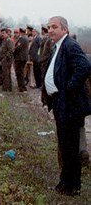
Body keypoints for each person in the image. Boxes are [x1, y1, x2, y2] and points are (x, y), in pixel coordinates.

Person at [42, 16, 91, 196]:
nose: (50, 31)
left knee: (70, 147)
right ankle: (65, 182)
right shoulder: (58, 46)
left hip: (70, 106)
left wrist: (68, 88)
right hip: (62, 104)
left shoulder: (70, 45)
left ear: (64, 29)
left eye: (54, 27)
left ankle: (72, 186)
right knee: (65, 146)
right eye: (48, 28)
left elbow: (84, 66)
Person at [13, 28, 30, 92]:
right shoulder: (25, 38)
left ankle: (21, 87)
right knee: (21, 72)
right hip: (22, 58)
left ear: (20, 32)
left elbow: (18, 48)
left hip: (20, 58)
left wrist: (13, 53)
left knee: (19, 73)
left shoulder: (22, 38)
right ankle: (22, 87)